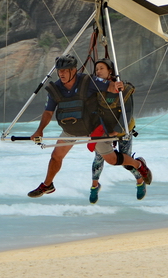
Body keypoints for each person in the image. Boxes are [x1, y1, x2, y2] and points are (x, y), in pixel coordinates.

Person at [28, 55, 152, 200]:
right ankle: (47, 185)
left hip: (93, 128)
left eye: (66, 70)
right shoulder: (55, 88)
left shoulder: (89, 81)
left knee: (112, 160)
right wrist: (39, 130)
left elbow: (110, 87)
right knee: (56, 156)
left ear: (74, 70)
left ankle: (138, 164)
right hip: (71, 130)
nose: (62, 73)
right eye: (59, 70)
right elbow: (48, 112)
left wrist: (117, 86)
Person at [89, 59, 144, 204]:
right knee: (98, 158)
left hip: (123, 129)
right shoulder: (96, 88)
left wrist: (117, 130)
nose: (98, 71)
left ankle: (140, 180)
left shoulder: (124, 89)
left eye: (101, 68)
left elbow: (128, 112)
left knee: (126, 160)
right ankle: (94, 186)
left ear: (110, 72)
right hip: (105, 129)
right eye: (96, 69)